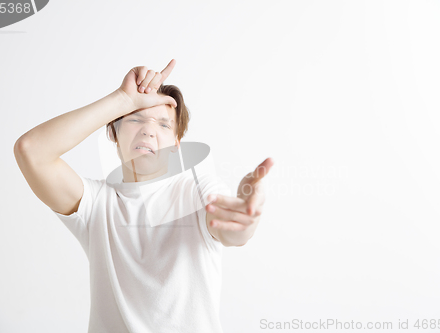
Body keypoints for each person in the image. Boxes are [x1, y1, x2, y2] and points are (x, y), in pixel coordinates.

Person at [14, 59, 274, 333]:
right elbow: (30, 150)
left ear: (176, 145)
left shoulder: (197, 190)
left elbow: (230, 231)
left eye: (163, 125)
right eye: (135, 118)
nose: (148, 129)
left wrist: (244, 221)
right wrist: (122, 99)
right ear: (114, 132)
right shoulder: (95, 203)